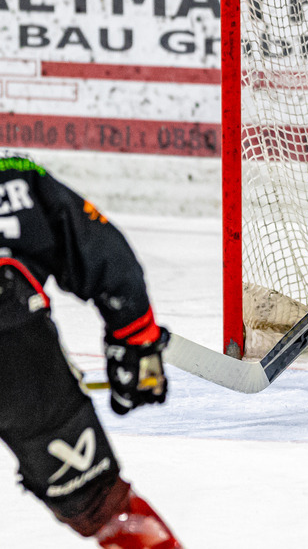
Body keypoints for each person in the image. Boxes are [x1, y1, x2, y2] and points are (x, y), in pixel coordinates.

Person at [0, 155, 181, 548]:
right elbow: (106, 256)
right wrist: (137, 341)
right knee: (102, 508)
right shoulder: (13, 175)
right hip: (14, 348)